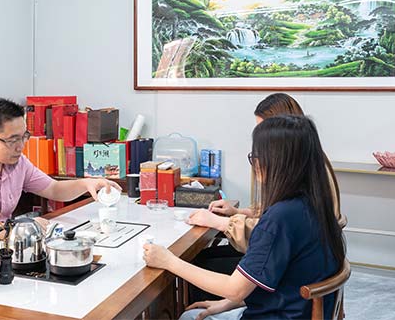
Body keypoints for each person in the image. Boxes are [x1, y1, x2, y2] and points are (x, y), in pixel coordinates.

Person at [143, 115, 345, 320]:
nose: (254, 164)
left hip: (277, 315)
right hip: (295, 310)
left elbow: (235, 289)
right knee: (195, 312)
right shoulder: (314, 203)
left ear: (275, 162)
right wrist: (228, 303)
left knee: (187, 316)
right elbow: (275, 280)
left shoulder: (280, 218)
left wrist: (169, 261)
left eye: (256, 157)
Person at [186, 93, 342, 303]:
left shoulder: (283, 215)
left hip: (283, 303)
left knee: (198, 268)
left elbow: (236, 289)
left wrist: (168, 260)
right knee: (204, 260)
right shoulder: (309, 185)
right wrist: (238, 212)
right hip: (295, 290)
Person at [0, 98, 121, 257]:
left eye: (23, 137)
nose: (20, 146)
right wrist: (19, 227)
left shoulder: (17, 163)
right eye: (12, 140)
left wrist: (87, 183)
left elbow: (54, 189)